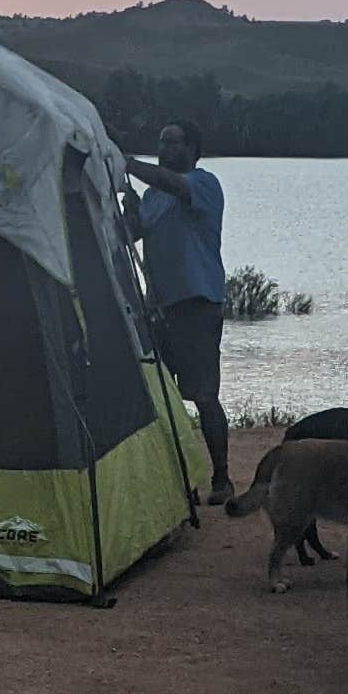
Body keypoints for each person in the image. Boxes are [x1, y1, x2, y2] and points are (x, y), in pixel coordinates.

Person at [128, 121, 232, 498]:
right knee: (162, 396)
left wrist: (127, 164)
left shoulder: (203, 183)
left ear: (191, 148)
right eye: (160, 141)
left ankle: (222, 478)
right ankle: (177, 482)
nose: (162, 148)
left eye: (170, 142)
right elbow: (129, 232)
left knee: (203, 395)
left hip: (196, 304)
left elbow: (174, 184)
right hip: (158, 308)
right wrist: (124, 206)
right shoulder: (153, 197)